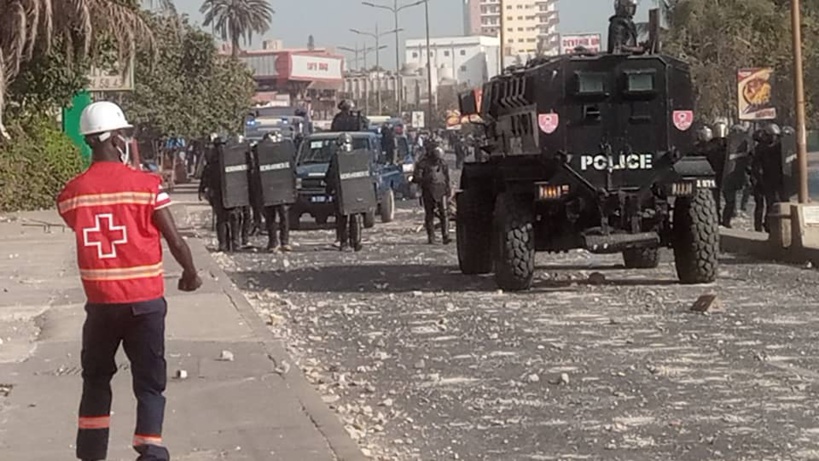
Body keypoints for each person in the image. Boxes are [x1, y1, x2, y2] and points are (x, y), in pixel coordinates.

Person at [56, 101, 202, 461]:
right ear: (111, 138)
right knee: (150, 382)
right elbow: (174, 239)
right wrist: (190, 273)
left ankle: (91, 454)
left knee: (95, 380)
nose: (125, 141)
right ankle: (150, 448)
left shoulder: (71, 194)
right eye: (122, 135)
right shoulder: (146, 185)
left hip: (101, 305)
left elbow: (80, 224)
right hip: (145, 304)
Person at [326, 133, 364, 252]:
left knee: (345, 219)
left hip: (343, 193)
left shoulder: (337, 158)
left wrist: (328, 189)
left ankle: (346, 242)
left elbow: (330, 176)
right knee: (353, 217)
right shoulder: (356, 157)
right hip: (350, 192)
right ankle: (355, 241)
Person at [414, 141, 452, 244]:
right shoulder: (423, 163)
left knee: (444, 213)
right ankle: (431, 237)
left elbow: (446, 177)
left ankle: (446, 236)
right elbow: (416, 177)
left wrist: (449, 189)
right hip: (428, 190)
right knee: (430, 214)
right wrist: (425, 179)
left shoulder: (442, 163)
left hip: (442, 189)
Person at [261, 132, 293, 252]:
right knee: (271, 218)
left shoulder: (285, 154)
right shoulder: (262, 155)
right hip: (269, 189)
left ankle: (284, 241)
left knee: (284, 216)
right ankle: (273, 242)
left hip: (282, 189)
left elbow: (291, 170)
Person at [199, 135, 232, 252]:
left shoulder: (214, 160)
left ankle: (226, 244)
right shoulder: (215, 161)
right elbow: (206, 177)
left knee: (223, 219)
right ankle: (228, 243)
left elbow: (205, 177)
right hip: (223, 193)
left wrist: (202, 190)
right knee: (228, 218)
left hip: (222, 193)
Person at [751, 123, 784, 232]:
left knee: (772, 204)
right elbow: (756, 165)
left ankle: (769, 225)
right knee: (760, 205)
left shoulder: (779, 147)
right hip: (762, 180)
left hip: (775, 180)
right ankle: (758, 227)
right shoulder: (761, 148)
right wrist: (758, 179)